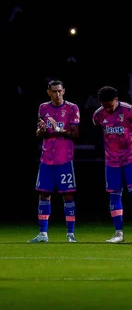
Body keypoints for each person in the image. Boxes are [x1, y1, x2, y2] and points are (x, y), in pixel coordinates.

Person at [92, 86, 132, 243]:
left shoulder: (130, 111)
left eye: (109, 104)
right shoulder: (98, 115)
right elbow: (96, 134)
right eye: (104, 105)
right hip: (111, 160)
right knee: (114, 194)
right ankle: (118, 233)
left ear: (116, 100)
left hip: (131, 157)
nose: (107, 108)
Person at [30, 79, 80, 243]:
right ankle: (43, 234)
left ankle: (70, 234)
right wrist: (42, 130)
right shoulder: (43, 108)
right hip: (46, 159)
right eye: (54, 91)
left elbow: (75, 134)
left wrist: (57, 128)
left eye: (60, 91)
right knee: (44, 194)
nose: (57, 94)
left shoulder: (72, 108)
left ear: (64, 91)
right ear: (49, 92)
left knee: (67, 195)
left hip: (64, 159)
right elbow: (39, 133)